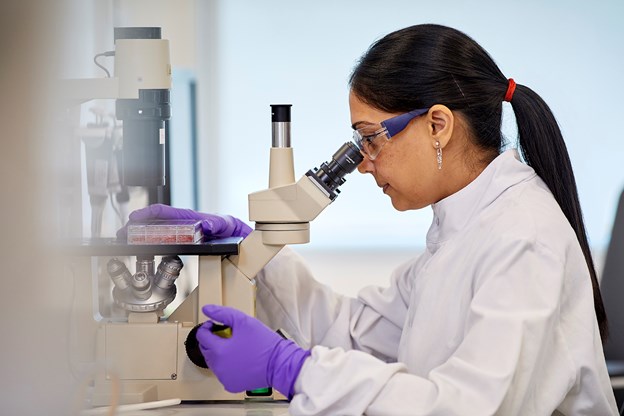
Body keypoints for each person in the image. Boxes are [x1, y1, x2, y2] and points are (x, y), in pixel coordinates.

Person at [120, 24, 618, 415]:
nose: (362, 163)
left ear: (438, 126)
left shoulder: (521, 237)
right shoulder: (462, 228)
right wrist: (253, 251)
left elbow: (468, 409)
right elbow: (354, 331)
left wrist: (292, 369)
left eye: (371, 137)